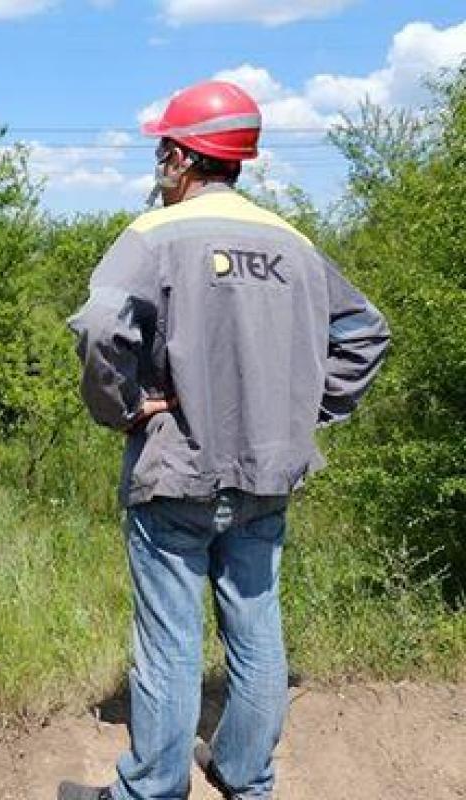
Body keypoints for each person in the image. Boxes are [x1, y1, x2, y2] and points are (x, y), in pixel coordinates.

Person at [57, 80, 390, 800]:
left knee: (171, 644)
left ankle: (151, 790)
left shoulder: (152, 236)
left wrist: (124, 408)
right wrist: (302, 412)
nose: (157, 166)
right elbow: (365, 334)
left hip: (176, 471)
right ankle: (245, 776)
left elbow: (95, 326)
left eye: (160, 152)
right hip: (268, 476)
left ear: (182, 158)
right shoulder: (294, 242)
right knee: (257, 629)